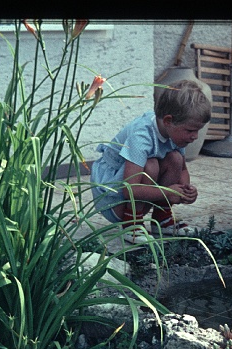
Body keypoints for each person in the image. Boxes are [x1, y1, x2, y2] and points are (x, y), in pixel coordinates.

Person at [90, 79, 211, 244]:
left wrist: (186, 192)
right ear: (168, 121)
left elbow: (181, 169)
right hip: (113, 198)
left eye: (198, 130)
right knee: (151, 164)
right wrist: (168, 192)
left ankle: (163, 218)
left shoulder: (173, 134)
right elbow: (129, 190)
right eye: (190, 130)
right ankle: (131, 223)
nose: (195, 136)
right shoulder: (142, 135)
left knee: (174, 158)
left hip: (138, 193)